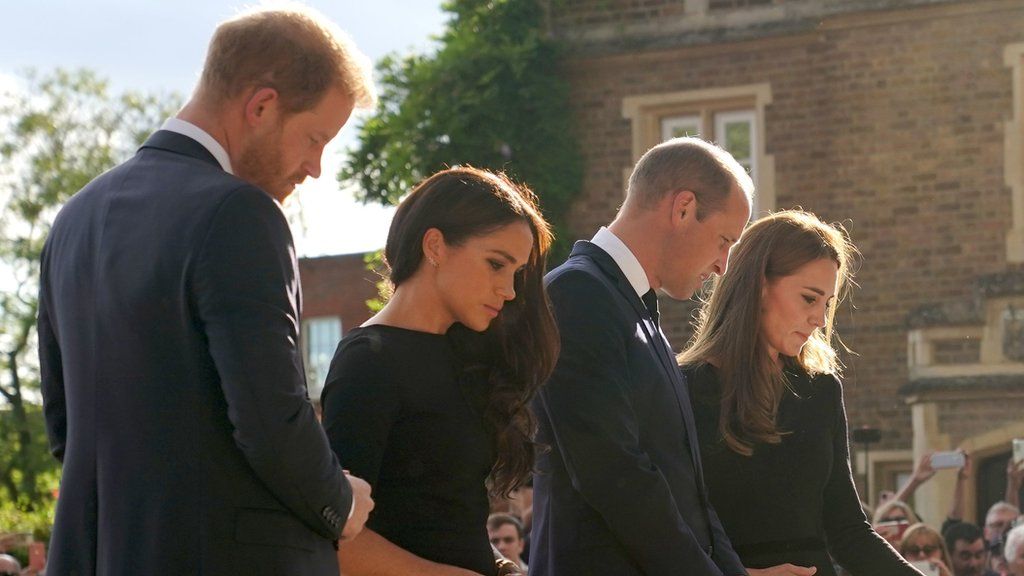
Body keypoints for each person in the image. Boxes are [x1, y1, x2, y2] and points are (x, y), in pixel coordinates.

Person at [36, 6, 376, 575]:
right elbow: (269, 416)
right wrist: (339, 501)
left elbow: (65, 427)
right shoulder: (239, 212)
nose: (316, 167)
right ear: (262, 106)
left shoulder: (74, 217)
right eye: (316, 138)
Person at [321, 167, 559, 576]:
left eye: (516, 272)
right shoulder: (368, 360)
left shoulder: (465, 353)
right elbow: (334, 537)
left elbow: (442, 515)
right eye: (496, 264)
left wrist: (500, 567)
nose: (510, 290)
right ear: (435, 246)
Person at [531, 137, 752, 575]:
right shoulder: (577, 294)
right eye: (724, 240)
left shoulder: (639, 312)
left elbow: (689, 493)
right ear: (683, 208)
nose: (722, 266)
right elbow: (614, 474)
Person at [679, 210, 923, 576]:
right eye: (809, 299)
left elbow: (849, 531)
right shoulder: (686, 387)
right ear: (758, 285)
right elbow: (667, 529)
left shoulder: (821, 391)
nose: (821, 320)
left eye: (827, 304)